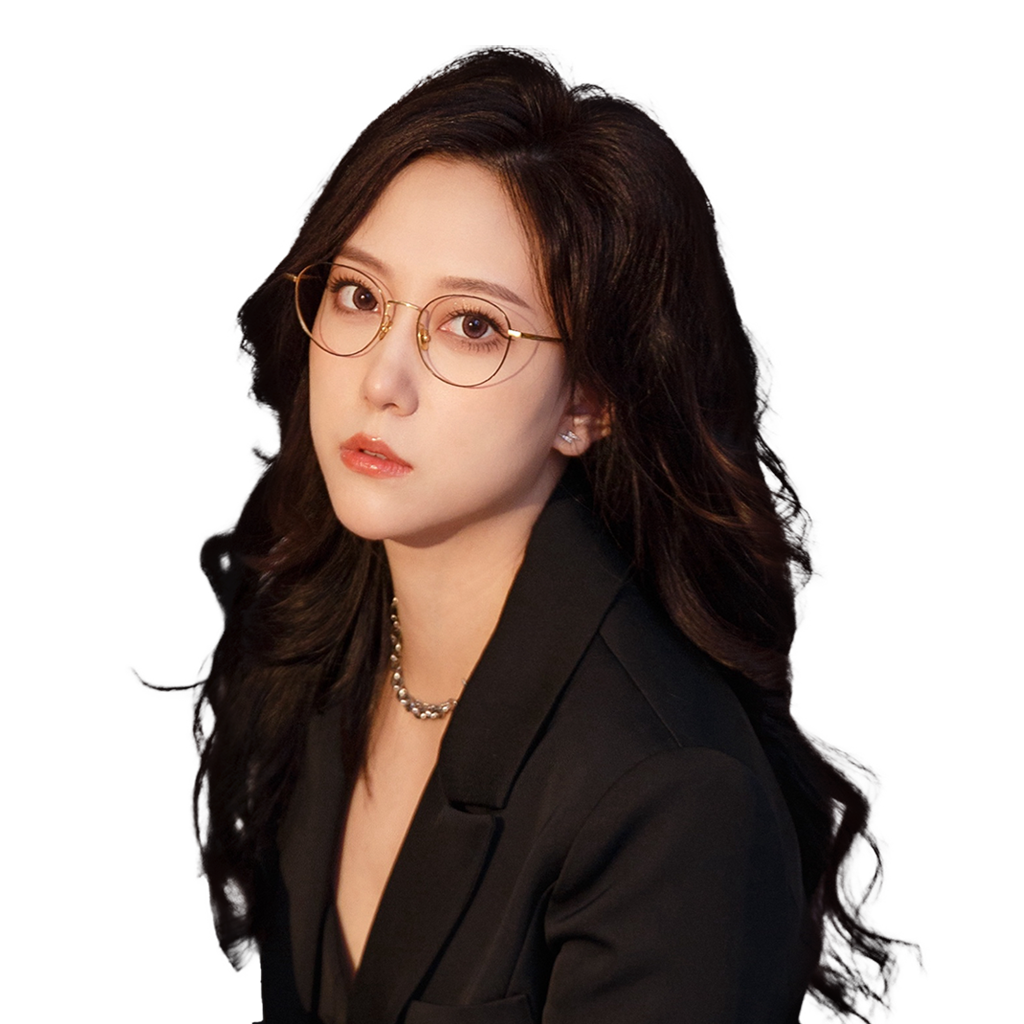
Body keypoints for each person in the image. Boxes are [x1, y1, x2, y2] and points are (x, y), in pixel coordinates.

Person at [196, 49, 889, 1024]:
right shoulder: (321, 639)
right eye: (359, 295)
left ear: (588, 403)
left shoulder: (670, 796)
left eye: (473, 326)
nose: (381, 379)